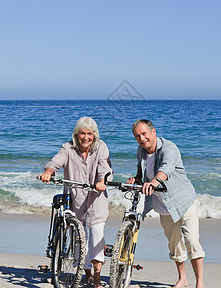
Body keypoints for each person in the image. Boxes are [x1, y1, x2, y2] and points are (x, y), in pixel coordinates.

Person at [127, 119, 205, 288]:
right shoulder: (141, 151)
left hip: (184, 202)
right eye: (137, 136)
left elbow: (167, 168)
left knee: (192, 241)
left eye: (144, 134)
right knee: (174, 244)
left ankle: (199, 283)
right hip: (163, 206)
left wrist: (154, 182)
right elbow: (141, 173)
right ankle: (182, 279)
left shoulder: (169, 148)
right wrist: (136, 179)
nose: (141, 138)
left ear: (153, 132)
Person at [39, 116, 112, 288]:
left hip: (96, 199)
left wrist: (103, 181)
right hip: (75, 200)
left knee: (96, 237)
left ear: (94, 135)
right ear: (76, 135)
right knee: (79, 240)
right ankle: (86, 273)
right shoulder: (68, 149)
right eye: (82, 133)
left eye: (89, 133)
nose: (86, 137)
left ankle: (97, 277)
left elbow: (105, 167)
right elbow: (56, 162)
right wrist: (49, 171)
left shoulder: (101, 147)